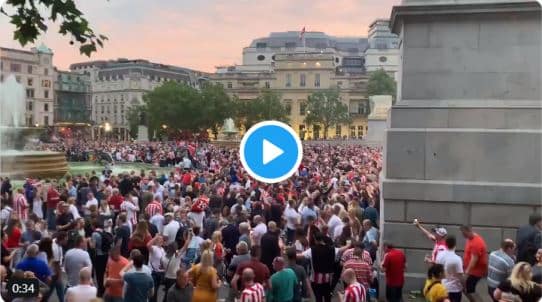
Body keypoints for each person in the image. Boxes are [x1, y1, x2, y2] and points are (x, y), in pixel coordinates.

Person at [460, 225, 488, 302]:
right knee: (467, 288)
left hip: (476, 271)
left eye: (464, 234)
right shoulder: (470, 238)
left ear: (469, 231)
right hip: (472, 270)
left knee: (469, 289)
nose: (463, 236)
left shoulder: (476, 242)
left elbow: (474, 260)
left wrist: (466, 273)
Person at [435, 235, 463, 302]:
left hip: (442, 287)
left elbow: (436, 270)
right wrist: (464, 286)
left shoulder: (439, 255)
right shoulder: (457, 259)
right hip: (454, 289)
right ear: (455, 244)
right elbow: (460, 276)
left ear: (446, 243)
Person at [146, 234, 165, 302]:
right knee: (153, 290)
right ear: (156, 240)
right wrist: (155, 237)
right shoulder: (154, 248)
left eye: (162, 239)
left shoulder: (162, 249)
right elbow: (148, 245)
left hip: (160, 272)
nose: (161, 240)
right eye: (159, 239)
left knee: (156, 290)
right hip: (153, 272)